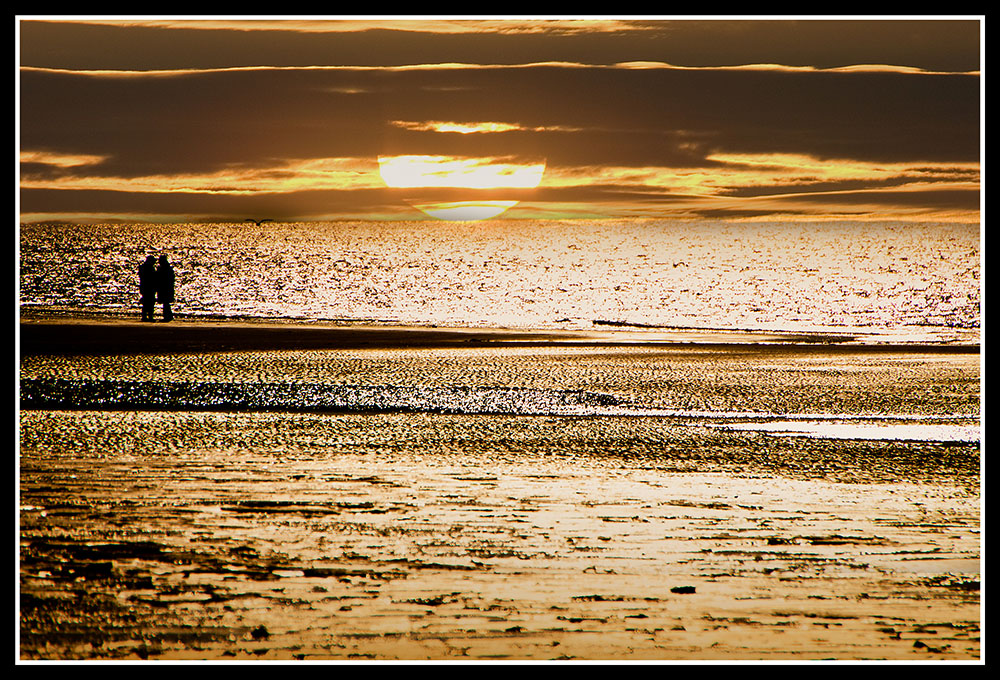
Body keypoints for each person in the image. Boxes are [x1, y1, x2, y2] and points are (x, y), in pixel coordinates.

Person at [156, 254, 175, 322]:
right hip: (166, 287)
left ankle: (168, 316)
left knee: (165, 302)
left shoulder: (164, 269)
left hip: (164, 288)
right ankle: (168, 315)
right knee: (166, 302)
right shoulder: (168, 268)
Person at [138, 255, 157, 321]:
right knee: (150, 302)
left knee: (146, 302)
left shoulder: (143, 268)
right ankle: (149, 316)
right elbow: (152, 278)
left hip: (145, 287)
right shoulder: (149, 268)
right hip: (149, 287)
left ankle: (145, 316)